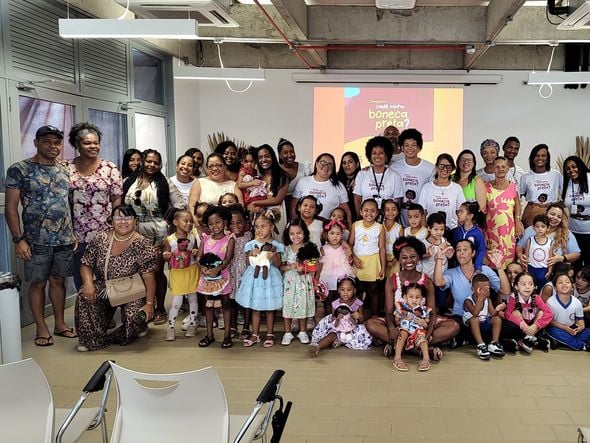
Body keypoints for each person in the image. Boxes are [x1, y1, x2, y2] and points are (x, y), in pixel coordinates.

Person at [5, 125, 77, 346]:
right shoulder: (20, 169)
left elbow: (67, 203)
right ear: (36, 143)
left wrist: (71, 231)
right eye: (46, 141)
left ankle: (59, 323)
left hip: (64, 239)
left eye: (57, 142)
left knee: (59, 281)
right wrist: (19, 239)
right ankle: (41, 326)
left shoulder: (65, 168)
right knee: (37, 283)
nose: (52, 146)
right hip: (36, 240)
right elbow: (10, 206)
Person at [75, 205, 157, 351]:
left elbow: (149, 277)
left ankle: (131, 329)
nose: (123, 221)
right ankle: (92, 338)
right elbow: (86, 263)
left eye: (127, 217)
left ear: (135, 221)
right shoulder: (101, 239)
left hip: (133, 291)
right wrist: (88, 283)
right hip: (108, 287)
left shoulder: (143, 243)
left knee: (135, 318)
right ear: (111, 221)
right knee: (83, 293)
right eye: (118, 217)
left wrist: (149, 303)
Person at [365, 236, 459, 361]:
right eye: (404, 257)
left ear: (419, 257)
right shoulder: (392, 280)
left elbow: (432, 312)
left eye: (413, 256)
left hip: (421, 325)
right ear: (398, 259)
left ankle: (400, 346)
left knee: (454, 326)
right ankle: (419, 350)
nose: (409, 260)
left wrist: (429, 333)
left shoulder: (427, 281)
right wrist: (392, 328)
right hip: (400, 323)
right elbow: (388, 311)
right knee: (371, 324)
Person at [123, 149, 179, 325]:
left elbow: (179, 204)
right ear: (142, 162)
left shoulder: (165, 182)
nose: (152, 165)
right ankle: (143, 307)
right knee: (137, 272)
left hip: (157, 232)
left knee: (155, 271)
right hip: (133, 231)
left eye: (156, 162)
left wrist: (167, 218)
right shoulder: (129, 181)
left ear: (159, 165)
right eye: (149, 161)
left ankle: (160, 308)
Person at [67, 122, 123, 290]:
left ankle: (106, 315)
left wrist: (116, 228)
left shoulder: (109, 168)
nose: (93, 146)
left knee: (106, 275)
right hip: (77, 234)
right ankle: (88, 313)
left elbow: (117, 200)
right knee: (81, 278)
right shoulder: (66, 167)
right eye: (87, 143)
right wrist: (69, 231)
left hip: (104, 232)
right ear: (77, 145)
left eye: (96, 142)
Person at [434, 240, 511, 341]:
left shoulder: (485, 269)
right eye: (458, 250)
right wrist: (440, 257)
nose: (461, 253)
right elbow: (438, 282)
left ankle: (472, 340)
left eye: (465, 249)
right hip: (462, 318)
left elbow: (505, 290)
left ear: (473, 253)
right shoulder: (452, 273)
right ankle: (488, 340)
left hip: (484, 318)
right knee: (456, 326)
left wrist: (499, 267)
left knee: (510, 327)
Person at [236, 210, 284, 348]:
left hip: (270, 278)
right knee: (255, 307)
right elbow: (247, 262)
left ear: (271, 227)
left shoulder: (276, 245)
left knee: (270, 308)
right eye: (257, 226)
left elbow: (279, 264)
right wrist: (252, 253)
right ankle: (255, 333)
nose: (259, 229)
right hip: (254, 278)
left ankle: (270, 333)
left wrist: (273, 256)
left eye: (263, 226)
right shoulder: (251, 244)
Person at [196, 205, 235, 349]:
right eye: (211, 224)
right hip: (206, 279)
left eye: (217, 222)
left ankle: (227, 335)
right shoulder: (205, 238)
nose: (214, 226)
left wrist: (217, 269)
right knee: (208, 306)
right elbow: (199, 255)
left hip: (222, 278)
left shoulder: (229, 238)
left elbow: (228, 258)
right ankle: (209, 334)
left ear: (225, 221)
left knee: (225, 305)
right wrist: (203, 268)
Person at [309, 275, 372, 357]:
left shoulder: (357, 303)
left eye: (349, 290)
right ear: (338, 290)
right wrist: (337, 318)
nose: (345, 292)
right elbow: (333, 320)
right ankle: (317, 347)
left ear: (354, 290)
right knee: (332, 335)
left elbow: (362, 320)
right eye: (342, 289)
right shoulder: (335, 304)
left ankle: (341, 341)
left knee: (363, 335)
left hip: (352, 328)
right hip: (338, 328)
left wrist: (358, 315)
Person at [162, 209, 199, 341]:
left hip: (191, 271)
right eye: (186, 221)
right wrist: (166, 256)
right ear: (175, 222)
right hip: (177, 273)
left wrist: (195, 252)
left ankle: (193, 324)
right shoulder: (169, 239)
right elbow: (167, 255)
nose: (189, 224)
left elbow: (195, 253)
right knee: (176, 301)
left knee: (193, 299)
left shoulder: (192, 237)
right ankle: (170, 327)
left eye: (191, 221)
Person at [280, 220, 317, 345]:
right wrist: (291, 267)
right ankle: (287, 333)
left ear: (304, 233)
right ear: (288, 235)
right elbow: (281, 266)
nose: (296, 236)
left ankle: (302, 331)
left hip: (304, 281)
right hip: (290, 282)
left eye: (299, 233)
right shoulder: (286, 249)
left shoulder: (309, 247)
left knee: (303, 304)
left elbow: (314, 265)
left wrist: (304, 269)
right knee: (288, 304)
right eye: (292, 234)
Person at [517, 202, 582, 273]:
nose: (555, 218)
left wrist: (562, 258)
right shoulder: (533, 228)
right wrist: (520, 255)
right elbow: (520, 246)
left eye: (559, 217)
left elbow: (577, 254)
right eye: (552, 214)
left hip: (555, 271)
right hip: (532, 268)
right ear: (545, 213)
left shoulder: (566, 233)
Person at [484, 156, 523, 269]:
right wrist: (484, 233)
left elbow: (517, 205)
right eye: (497, 167)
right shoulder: (486, 187)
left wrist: (517, 221)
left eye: (503, 167)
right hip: (492, 232)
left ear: (507, 169)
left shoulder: (513, 186)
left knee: (508, 263)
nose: (500, 169)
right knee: (493, 262)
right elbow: (482, 211)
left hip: (508, 231)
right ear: (493, 169)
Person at [349, 199, 386, 317]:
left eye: (372, 211)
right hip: (358, 261)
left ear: (377, 213)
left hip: (373, 262)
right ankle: (357, 316)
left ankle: (375, 317)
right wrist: (354, 258)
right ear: (360, 211)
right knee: (358, 290)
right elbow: (350, 244)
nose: (369, 213)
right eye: (366, 210)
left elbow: (382, 249)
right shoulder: (356, 225)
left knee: (373, 290)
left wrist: (383, 267)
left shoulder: (380, 227)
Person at [390, 128, 434, 225]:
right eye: (406, 145)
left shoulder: (430, 168)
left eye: (414, 145)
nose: (410, 148)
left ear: (419, 148)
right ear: (401, 147)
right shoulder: (394, 167)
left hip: (420, 219)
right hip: (398, 219)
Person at [502, 271, 552, 354]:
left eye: (530, 284)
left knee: (541, 313)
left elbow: (549, 313)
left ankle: (528, 338)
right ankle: (528, 339)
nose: (527, 287)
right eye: (523, 284)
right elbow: (507, 314)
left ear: (534, 287)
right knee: (516, 312)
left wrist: (535, 326)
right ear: (516, 286)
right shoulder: (513, 297)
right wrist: (523, 325)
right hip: (521, 327)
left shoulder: (536, 297)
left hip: (533, 327)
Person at [353, 136, 403, 218]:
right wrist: (360, 218)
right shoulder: (362, 174)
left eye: (381, 153)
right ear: (370, 156)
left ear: (386, 156)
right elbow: (357, 198)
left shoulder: (395, 176)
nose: (377, 156)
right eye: (374, 153)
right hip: (366, 220)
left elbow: (398, 202)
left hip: (387, 220)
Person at [292, 153, 351, 222]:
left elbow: (346, 210)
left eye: (330, 165)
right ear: (316, 164)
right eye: (323, 163)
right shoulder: (303, 181)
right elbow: (294, 205)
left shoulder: (339, 186)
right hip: (304, 226)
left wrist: (349, 227)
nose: (326, 166)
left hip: (330, 229)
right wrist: (295, 223)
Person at [247, 145, 289, 235]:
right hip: (261, 216)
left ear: (272, 157)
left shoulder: (282, 176)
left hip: (277, 215)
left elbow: (278, 199)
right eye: (260, 157)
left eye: (267, 156)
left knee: (277, 243)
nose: (264, 160)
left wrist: (255, 203)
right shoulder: (258, 177)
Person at [462, 273, 506, 360]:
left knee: (497, 318)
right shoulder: (468, 301)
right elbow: (475, 313)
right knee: (474, 319)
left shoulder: (488, 300)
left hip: (483, 325)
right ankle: (481, 345)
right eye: (481, 289)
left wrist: (497, 310)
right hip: (471, 329)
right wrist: (480, 299)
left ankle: (493, 343)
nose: (485, 292)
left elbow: (492, 314)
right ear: (473, 289)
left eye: (487, 289)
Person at [520, 144, 563, 228]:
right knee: (531, 236)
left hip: (550, 211)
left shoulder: (555, 174)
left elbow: (564, 192)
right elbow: (520, 196)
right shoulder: (525, 177)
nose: (540, 158)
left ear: (547, 158)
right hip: (532, 210)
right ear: (532, 158)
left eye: (543, 155)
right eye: (537, 155)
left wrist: (559, 206)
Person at [418, 153, 465, 229]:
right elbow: (422, 212)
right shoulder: (427, 187)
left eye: (448, 167)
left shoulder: (457, 188)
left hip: (451, 230)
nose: (445, 169)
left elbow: (461, 211)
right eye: (442, 166)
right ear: (436, 167)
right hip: (431, 231)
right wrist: (425, 231)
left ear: (452, 169)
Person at [392, 282, 432, 372]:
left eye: (417, 297)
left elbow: (427, 324)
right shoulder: (401, 308)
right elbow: (396, 322)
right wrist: (404, 319)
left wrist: (423, 323)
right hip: (404, 331)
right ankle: (397, 357)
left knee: (422, 337)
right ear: (405, 297)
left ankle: (426, 358)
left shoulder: (423, 310)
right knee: (403, 332)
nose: (414, 300)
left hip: (417, 332)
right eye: (411, 297)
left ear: (422, 298)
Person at [546, 271, 590, 350]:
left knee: (588, 332)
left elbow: (580, 319)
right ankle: (583, 346)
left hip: (572, 329)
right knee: (554, 332)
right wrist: (564, 328)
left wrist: (581, 327)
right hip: (557, 328)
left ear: (572, 286)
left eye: (567, 282)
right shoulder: (550, 302)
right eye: (560, 282)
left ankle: (561, 343)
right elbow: (550, 321)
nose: (564, 284)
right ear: (555, 288)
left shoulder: (577, 302)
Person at [319, 219, 354, 314]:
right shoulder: (323, 248)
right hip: (327, 277)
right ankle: (328, 319)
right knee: (328, 300)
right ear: (327, 234)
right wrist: (317, 279)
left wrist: (349, 254)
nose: (335, 236)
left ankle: (341, 319)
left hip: (341, 276)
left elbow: (350, 262)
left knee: (340, 299)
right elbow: (320, 264)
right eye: (332, 233)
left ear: (342, 235)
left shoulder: (344, 247)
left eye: (338, 234)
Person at [420, 213, 454, 310]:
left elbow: (450, 256)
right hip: (428, 279)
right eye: (436, 229)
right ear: (429, 228)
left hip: (441, 278)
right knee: (428, 304)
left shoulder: (445, 241)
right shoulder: (424, 243)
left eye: (441, 229)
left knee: (440, 303)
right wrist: (428, 255)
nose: (439, 232)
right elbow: (418, 258)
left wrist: (450, 254)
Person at [228, 204, 252, 339]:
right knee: (232, 300)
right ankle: (232, 325)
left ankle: (246, 326)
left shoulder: (249, 236)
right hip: (231, 270)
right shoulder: (227, 237)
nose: (235, 226)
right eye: (231, 223)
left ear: (244, 222)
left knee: (246, 299)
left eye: (239, 222)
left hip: (246, 271)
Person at [562, 155, 590, 268]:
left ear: (580, 166)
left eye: (574, 166)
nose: (571, 170)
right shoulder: (567, 182)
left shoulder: (589, 178)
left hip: (589, 231)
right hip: (573, 230)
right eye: (568, 168)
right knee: (575, 264)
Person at [450, 201, 486, 272]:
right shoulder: (456, 231)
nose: (458, 214)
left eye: (461, 212)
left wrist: (478, 267)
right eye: (458, 211)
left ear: (470, 216)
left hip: (471, 268)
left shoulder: (478, 233)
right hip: (456, 267)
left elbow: (481, 251)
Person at [277, 138, 311, 211]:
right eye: (285, 152)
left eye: (292, 151)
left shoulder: (304, 168)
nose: (289, 155)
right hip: (280, 207)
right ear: (280, 155)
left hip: (300, 207)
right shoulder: (276, 169)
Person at [525, 214, 554, 288]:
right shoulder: (530, 240)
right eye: (537, 227)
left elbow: (550, 258)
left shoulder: (550, 242)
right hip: (531, 268)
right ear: (533, 227)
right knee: (531, 287)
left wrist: (549, 270)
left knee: (541, 288)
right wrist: (525, 269)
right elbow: (526, 256)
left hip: (543, 270)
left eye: (543, 226)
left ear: (548, 228)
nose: (540, 229)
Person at [336, 151, 362, 222]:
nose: (347, 165)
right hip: (339, 219)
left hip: (359, 218)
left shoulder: (363, 178)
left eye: (350, 162)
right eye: (344, 163)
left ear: (357, 164)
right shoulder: (336, 179)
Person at [382, 199, 403, 278]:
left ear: (397, 211)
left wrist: (394, 260)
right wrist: (384, 260)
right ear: (383, 212)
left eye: (393, 209)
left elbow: (401, 246)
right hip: (381, 257)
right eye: (387, 210)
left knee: (394, 281)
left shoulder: (399, 228)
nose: (390, 212)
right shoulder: (379, 226)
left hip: (395, 258)